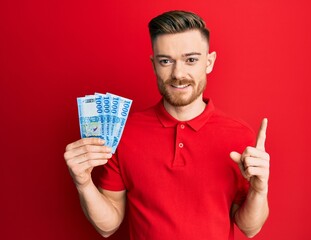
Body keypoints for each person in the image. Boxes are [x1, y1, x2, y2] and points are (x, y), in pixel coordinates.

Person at [64, 10, 270, 240]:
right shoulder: (124, 132)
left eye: (191, 60)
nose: (178, 73)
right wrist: (83, 184)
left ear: (209, 62)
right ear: (154, 65)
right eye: (166, 61)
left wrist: (259, 190)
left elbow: (249, 228)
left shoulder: (239, 136)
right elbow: (108, 225)